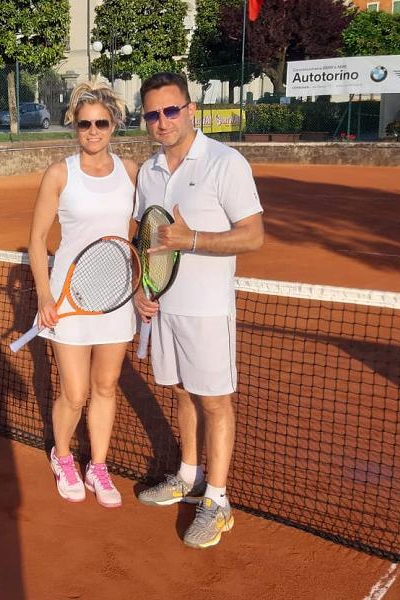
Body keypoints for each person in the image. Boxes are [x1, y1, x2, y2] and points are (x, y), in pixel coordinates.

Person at [133, 72, 264, 548]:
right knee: (182, 393)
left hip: (207, 310)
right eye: (153, 114)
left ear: (190, 109)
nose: (163, 121)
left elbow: (253, 235)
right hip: (163, 309)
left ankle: (218, 500)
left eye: (171, 110)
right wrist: (140, 286)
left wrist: (192, 239)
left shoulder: (225, 163)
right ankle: (188, 476)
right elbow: (141, 236)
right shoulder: (148, 171)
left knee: (214, 401)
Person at [27, 81, 139, 508]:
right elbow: (37, 240)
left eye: (101, 123)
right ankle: (63, 457)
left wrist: (143, 285)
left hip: (115, 299)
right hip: (69, 299)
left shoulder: (131, 172)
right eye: (85, 123)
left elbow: (146, 233)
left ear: (114, 125)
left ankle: (99, 465)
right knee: (75, 393)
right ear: (74, 124)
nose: (93, 131)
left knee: (105, 386)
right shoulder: (60, 174)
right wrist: (44, 297)